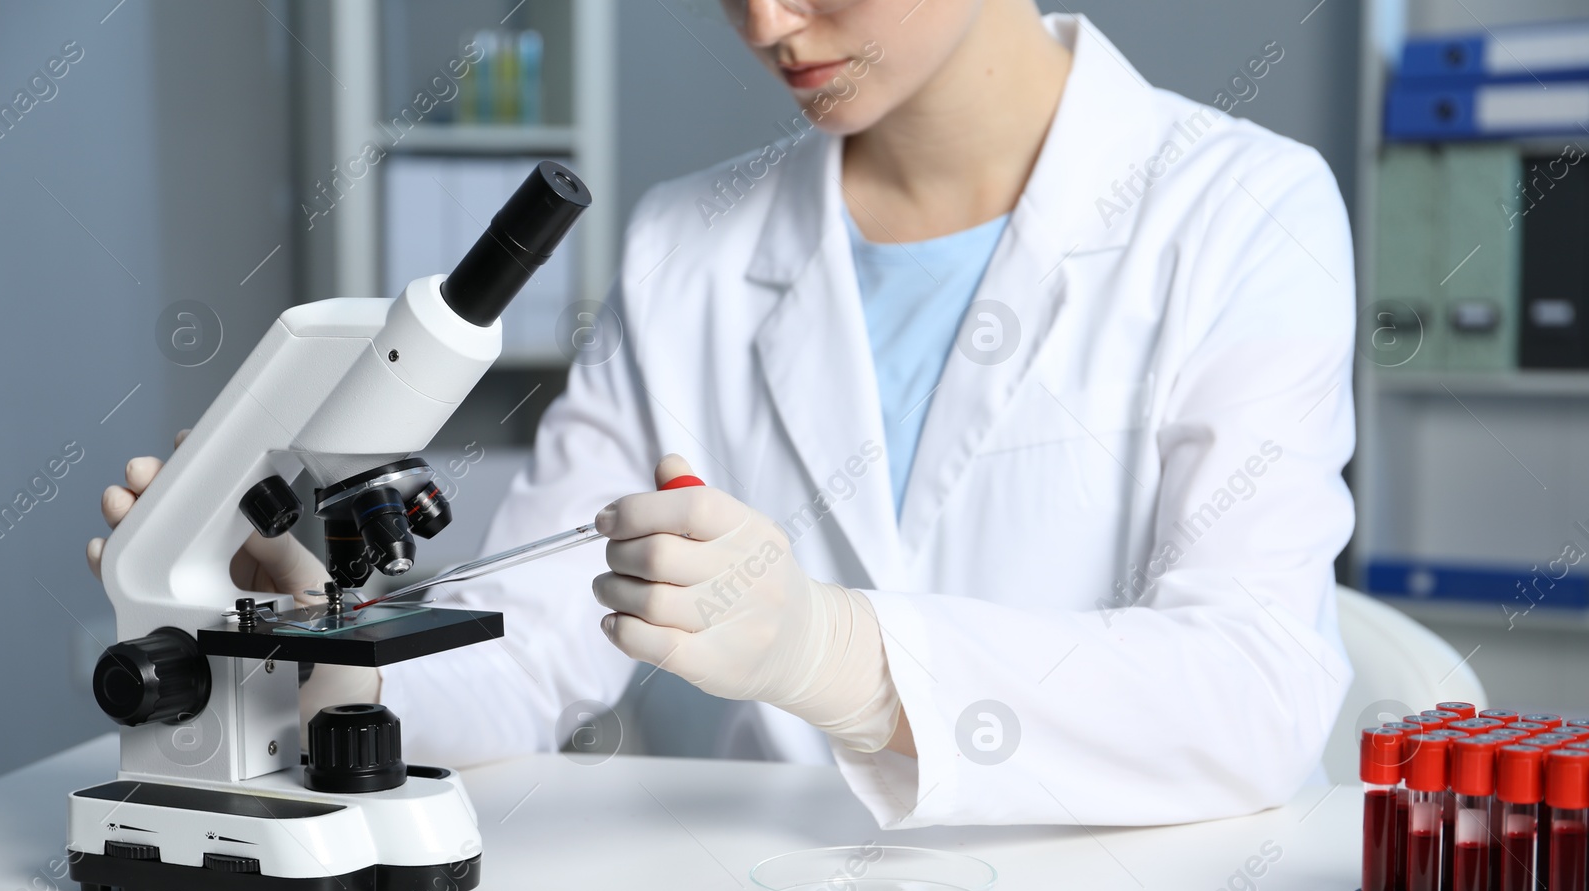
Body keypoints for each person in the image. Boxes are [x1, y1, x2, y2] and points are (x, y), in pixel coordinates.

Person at [90, 0, 1355, 828]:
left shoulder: (1241, 213)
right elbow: (529, 653)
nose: (765, 21)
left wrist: (837, 655)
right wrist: (304, 631)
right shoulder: (689, 242)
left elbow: (1254, 687)